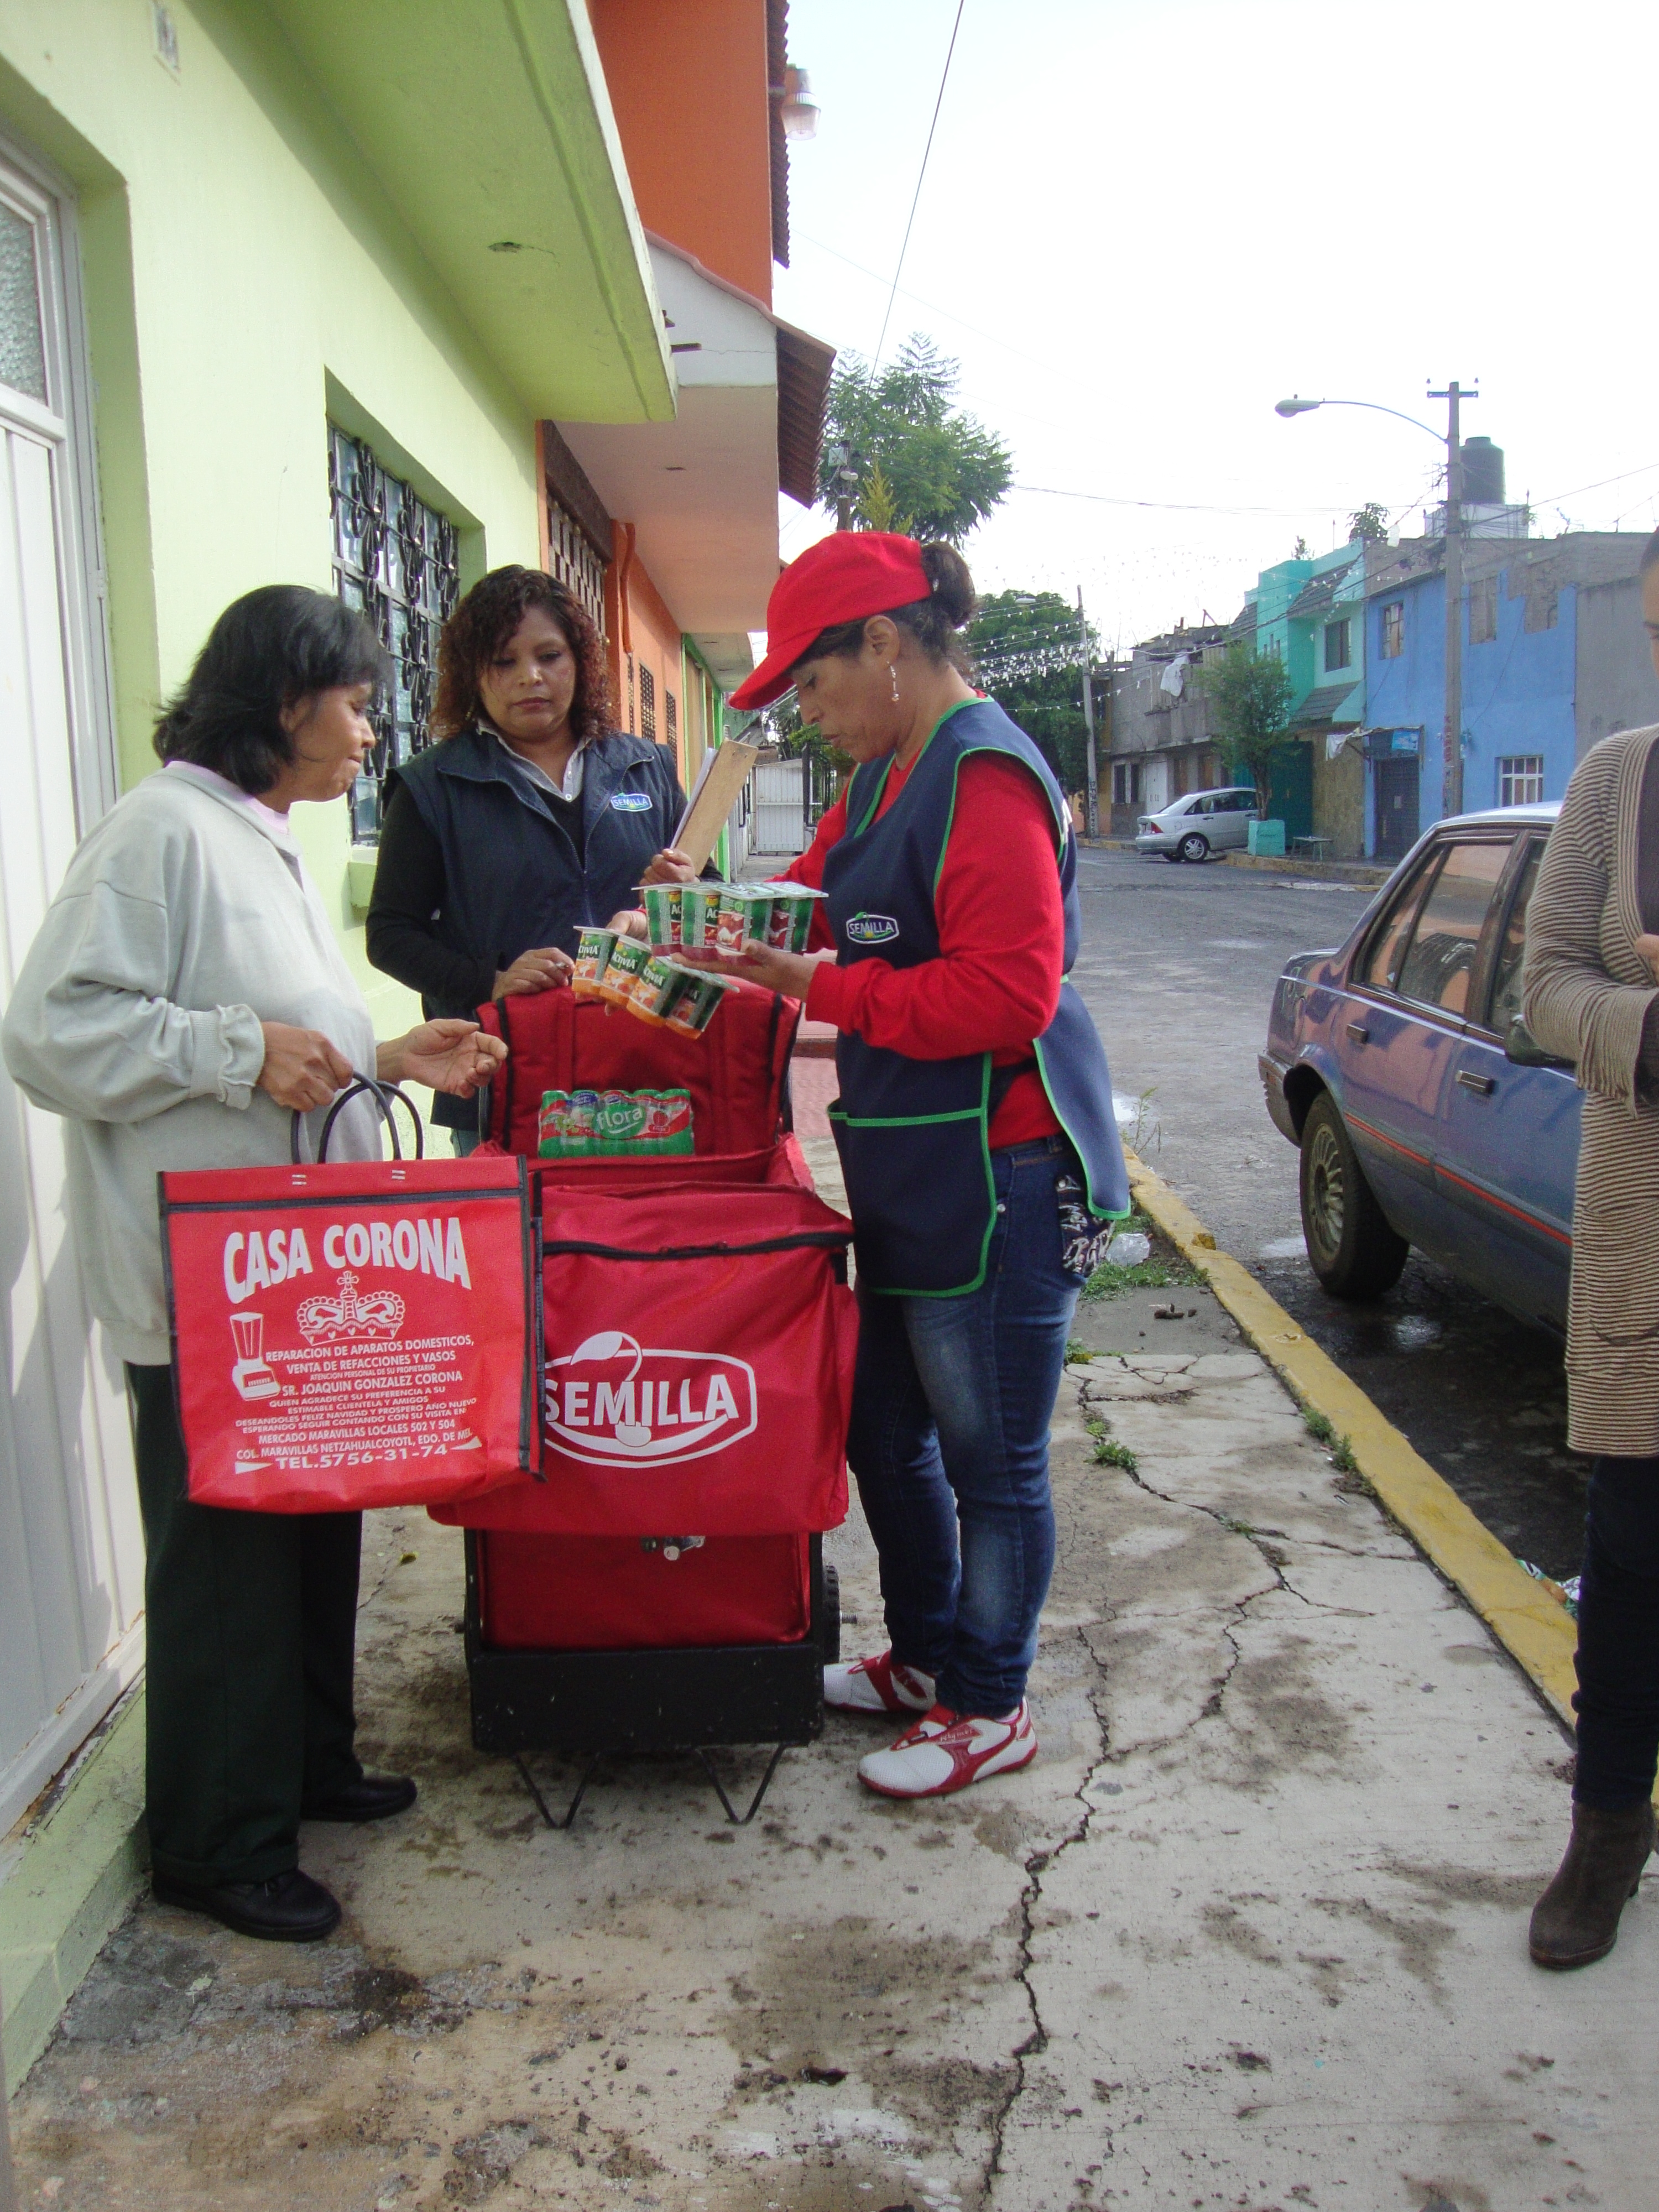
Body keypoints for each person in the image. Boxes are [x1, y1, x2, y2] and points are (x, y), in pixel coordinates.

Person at [1, 586, 506, 1944]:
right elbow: (50, 1029)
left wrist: (390, 1054)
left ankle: (302, 1766)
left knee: (311, 1527)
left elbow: (288, 1023)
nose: (367, 730)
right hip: (206, 1287)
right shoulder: (159, 828)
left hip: (291, 1276)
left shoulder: (257, 836)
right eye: (350, 702)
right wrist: (234, 1049)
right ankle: (216, 1841)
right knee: (225, 1566)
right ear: (282, 703)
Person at [682, 532, 1129, 1800]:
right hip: (906, 1161)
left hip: (996, 1172)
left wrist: (821, 985)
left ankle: (991, 1700)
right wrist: (703, 928)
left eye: (812, 687)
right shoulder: (878, 776)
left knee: (991, 1460)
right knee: (884, 1431)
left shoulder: (984, 775)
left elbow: (1002, 995)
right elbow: (808, 899)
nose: (809, 717)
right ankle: (927, 1656)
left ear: (884, 644)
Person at [1522, 523, 1659, 1969]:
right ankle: (1611, 1820)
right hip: (1649, 1241)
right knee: (1631, 1561)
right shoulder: (1624, 782)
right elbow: (1544, 985)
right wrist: (1644, 1027)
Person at [366, 565, 690, 1150]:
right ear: (473, 674)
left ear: (580, 661)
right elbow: (390, 934)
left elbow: (705, 900)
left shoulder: (646, 767)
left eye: (549, 655)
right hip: (503, 1080)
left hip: (644, 1071)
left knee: (635, 1235)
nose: (530, 678)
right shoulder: (432, 787)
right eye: (503, 661)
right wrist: (489, 981)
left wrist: (671, 901)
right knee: (516, 1244)